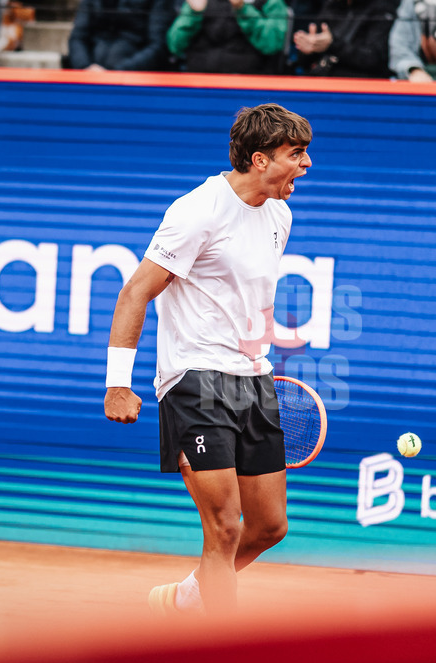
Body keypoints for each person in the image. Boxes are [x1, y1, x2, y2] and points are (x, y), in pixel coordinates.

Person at [104, 103, 312, 616]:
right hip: (193, 379)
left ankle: (187, 599)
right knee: (224, 527)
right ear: (259, 160)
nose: (305, 165)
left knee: (269, 527)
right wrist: (117, 383)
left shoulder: (281, 215)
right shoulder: (196, 211)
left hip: (254, 380)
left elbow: (247, 299)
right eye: (296, 154)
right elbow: (135, 292)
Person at [165, 0, 289, 75]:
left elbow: (271, 44)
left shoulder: (271, 2)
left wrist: (242, 10)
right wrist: (194, 13)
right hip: (197, 81)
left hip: (250, 84)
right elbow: (175, 46)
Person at [293, 0, 398, 78]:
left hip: (360, 86)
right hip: (322, 79)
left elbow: (374, 59)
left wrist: (332, 44)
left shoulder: (383, 8)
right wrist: (309, 48)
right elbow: (304, 62)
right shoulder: (332, 5)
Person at [67, 0, 174, 72]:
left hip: (133, 81)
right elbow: (78, 37)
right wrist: (85, 66)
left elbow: (158, 45)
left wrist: (117, 72)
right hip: (89, 76)